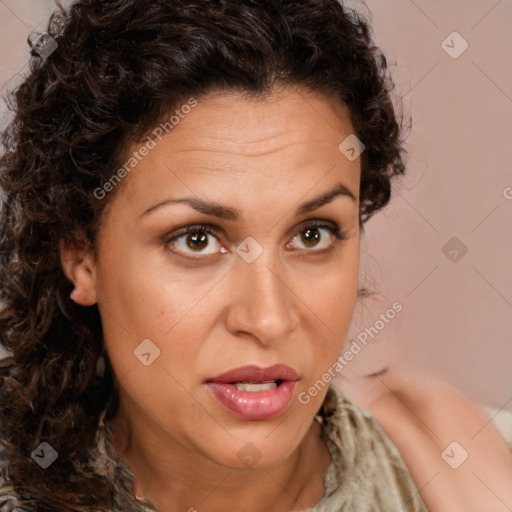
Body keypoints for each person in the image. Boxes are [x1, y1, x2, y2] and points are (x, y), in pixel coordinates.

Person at [0, 1, 510, 511]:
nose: (269, 318)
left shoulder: (467, 478)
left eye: (313, 234)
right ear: (81, 256)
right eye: (196, 239)